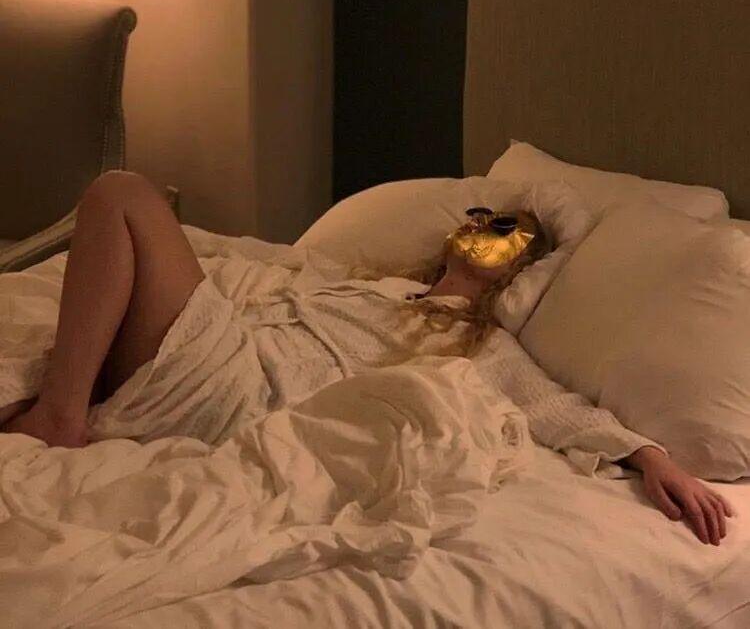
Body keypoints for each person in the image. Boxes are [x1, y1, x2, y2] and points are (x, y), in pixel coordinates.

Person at [0, 171, 734, 545]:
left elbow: (557, 408)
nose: (483, 227)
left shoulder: (479, 344)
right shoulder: (373, 286)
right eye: (481, 216)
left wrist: (654, 460)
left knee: (121, 193)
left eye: (505, 229)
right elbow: (275, 264)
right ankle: (70, 401)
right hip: (227, 354)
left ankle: (61, 417)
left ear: (519, 268)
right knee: (124, 232)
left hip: (240, 390)